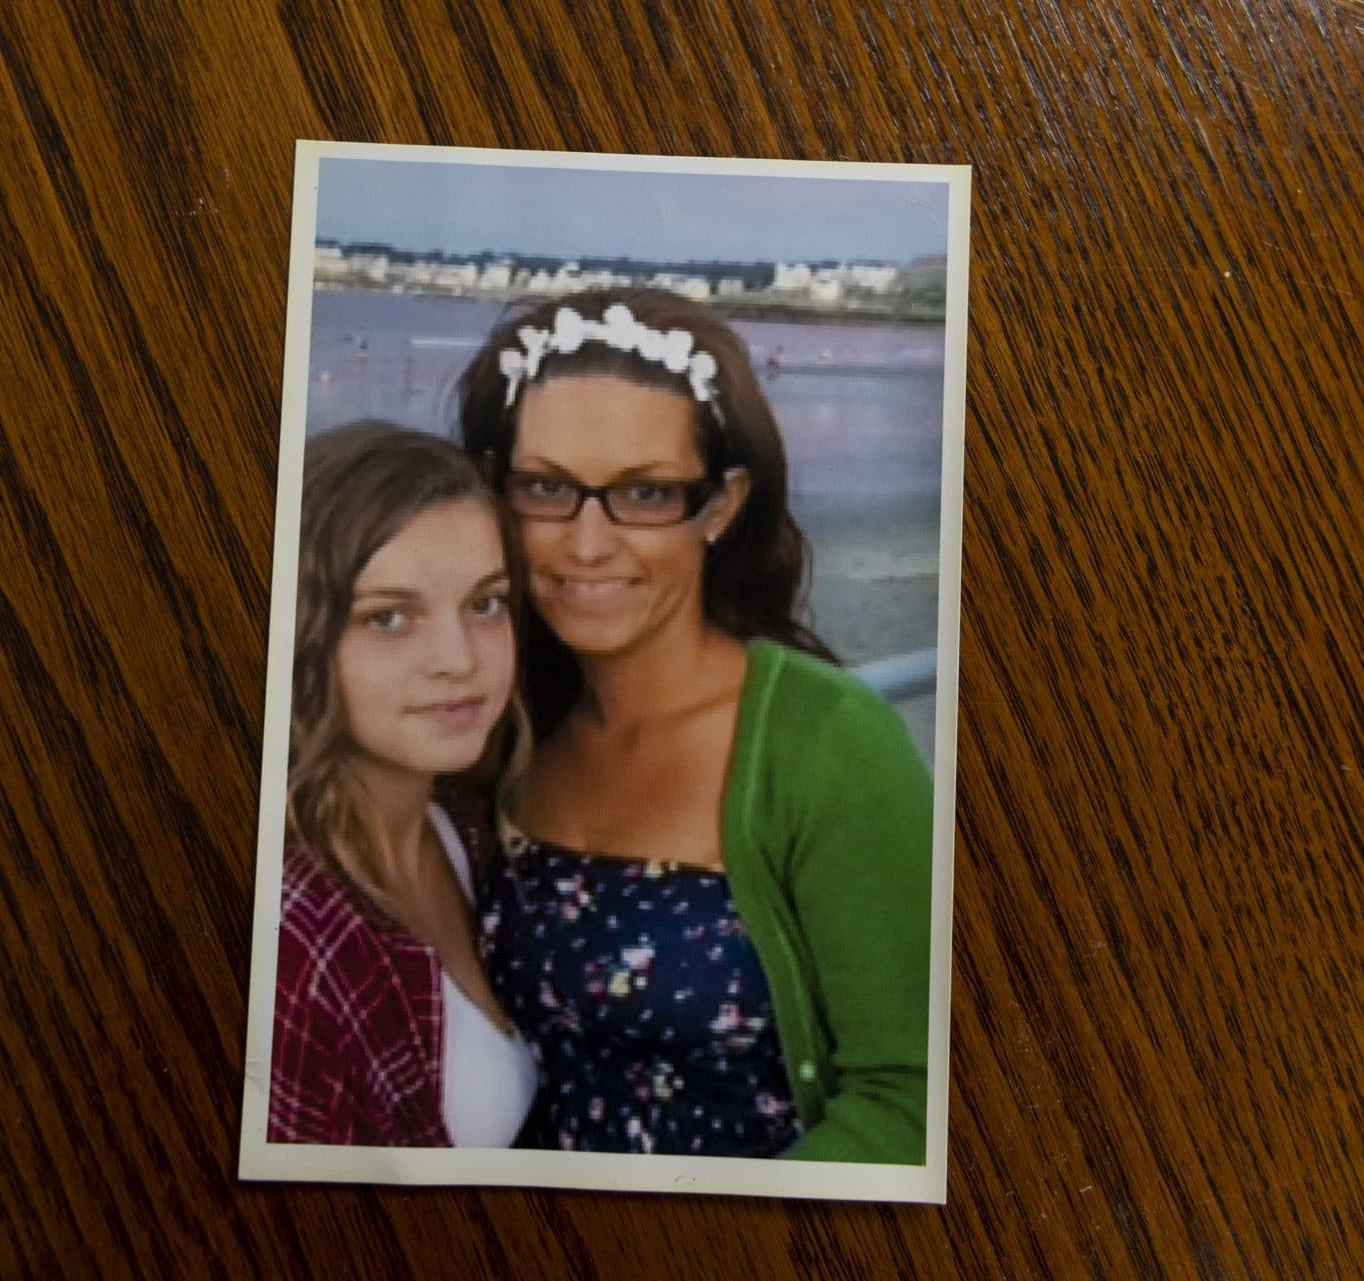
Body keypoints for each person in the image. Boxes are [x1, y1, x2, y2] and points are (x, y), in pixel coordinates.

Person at [456, 288, 934, 1163]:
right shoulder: (497, 725)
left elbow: (911, 1099)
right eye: (547, 487)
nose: (588, 543)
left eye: (644, 492)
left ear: (720, 504)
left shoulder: (830, 744)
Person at [268, 421, 537, 1148]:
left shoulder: (467, 825)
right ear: (301, 637)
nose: (458, 659)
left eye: (485, 604)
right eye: (389, 618)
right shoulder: (295, 942)